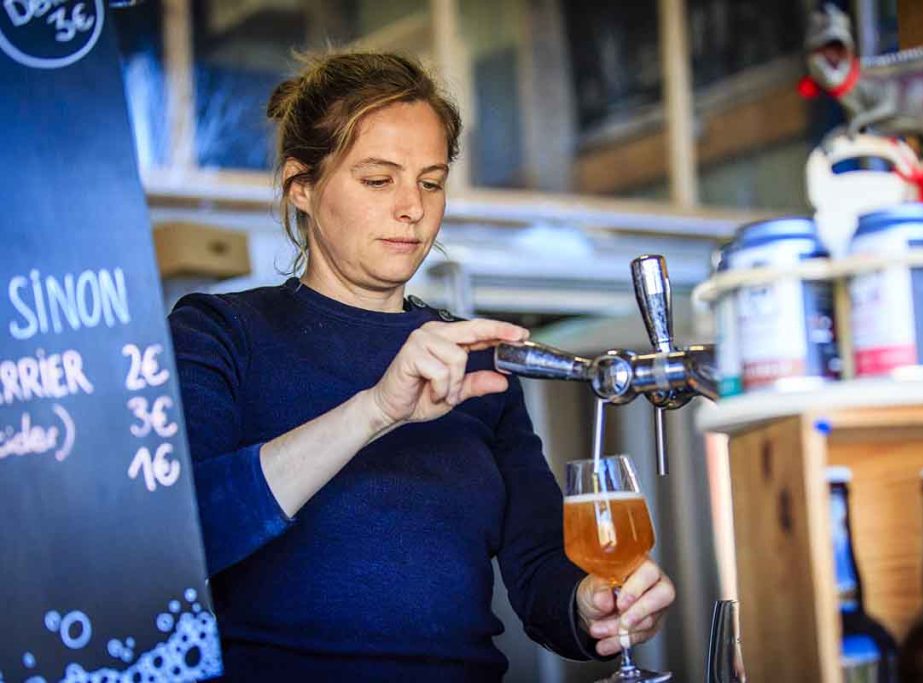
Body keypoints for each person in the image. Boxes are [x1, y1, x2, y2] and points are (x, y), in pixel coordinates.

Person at [169, 51, 676, 681]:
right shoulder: (221, 332)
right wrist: (375, 410)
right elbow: (187, 536)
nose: (412, 207)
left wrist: (594, 604)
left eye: (431, 182)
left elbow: (542, 569)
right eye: (378, 180)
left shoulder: (473, 358)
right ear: (302, 185)